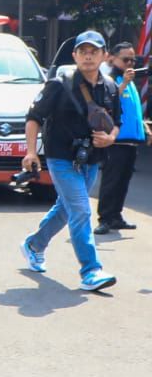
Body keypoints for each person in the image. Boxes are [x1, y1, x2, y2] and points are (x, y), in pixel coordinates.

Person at [20, 31, 121, 290]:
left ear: (104, 56)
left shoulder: (110, 87)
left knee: (66, 209)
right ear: (75, 55)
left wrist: (109, 138)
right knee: (81, 210)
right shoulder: (59, 84)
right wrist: (31, 152)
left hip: (91, 160)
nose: (88, 56)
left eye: (94, 51)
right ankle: (91, 270)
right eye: (83, 51)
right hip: (61, 158)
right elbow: (34, 118)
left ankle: (34, 244)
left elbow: (116, 124)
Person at [95, 41, 147, 234]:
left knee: (123, 181)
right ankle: (105, 218)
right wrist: (124, 82)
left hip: (131, 140)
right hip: (115, 140)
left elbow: (132, 111)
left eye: (133, 60)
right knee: (111, 180)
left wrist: (144, 128)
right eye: (126, 59)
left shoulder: (130, 82)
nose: (130, 63)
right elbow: (108, 100)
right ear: (111, 59)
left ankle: (116, 216)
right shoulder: (109, 79)